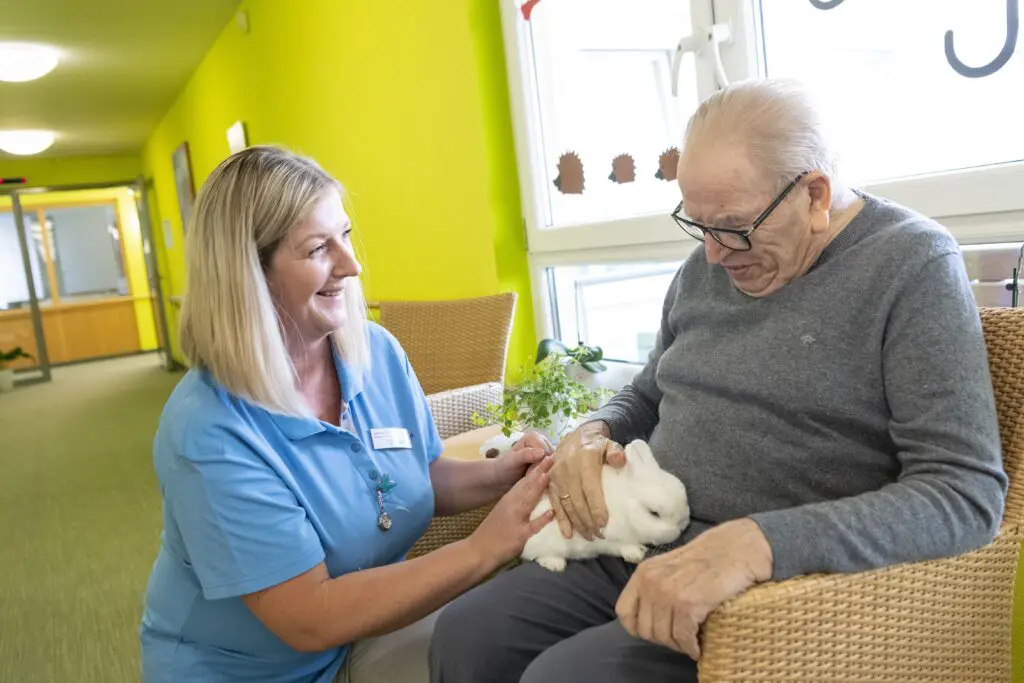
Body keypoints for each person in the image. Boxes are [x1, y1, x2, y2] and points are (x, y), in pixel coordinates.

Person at [428, 78, 1009, 683]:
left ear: (815, 194)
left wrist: (757, 543)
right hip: (648, 540)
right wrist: (591, 428)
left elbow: (962, 493)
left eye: (732, 226)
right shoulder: (707, 266)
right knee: (468, 637)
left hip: (780, 581)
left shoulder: (909, 265)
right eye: (697, 225)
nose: (712, 256)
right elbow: (650, 392)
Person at [138, 145, 557, 683]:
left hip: (367, 628)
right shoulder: (209, 431)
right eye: (318, 248)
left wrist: (498, 477)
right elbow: (307, 618)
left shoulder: (375, 353)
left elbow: (414, 475)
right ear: (248, 276)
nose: (352, 265)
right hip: (253, 670)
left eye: (347, 236)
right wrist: (482, 550)